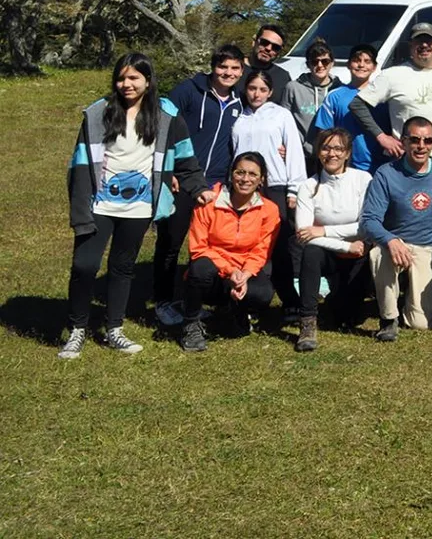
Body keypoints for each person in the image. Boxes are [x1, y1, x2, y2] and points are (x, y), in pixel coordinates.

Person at [60, 53, 212, 359]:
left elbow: (185, 160)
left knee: (123, 267)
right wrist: (80, 209)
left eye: (133, 78)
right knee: (84, 265)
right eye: (121, 78)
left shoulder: (166, 116)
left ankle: (114, 330)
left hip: (139, 209)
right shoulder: (97, 113)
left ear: (147, 80)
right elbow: (79, 164)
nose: (126, 84)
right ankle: (77, 330)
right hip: (99, 204)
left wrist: (200, 189)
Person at [154, 43, 246, 326]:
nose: (228, 73)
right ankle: (162, 301)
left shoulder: (239, 101)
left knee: (208, 246)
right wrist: (165, 168)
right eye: (222, 67)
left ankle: (196, 298)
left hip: (215, 185)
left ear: (241, 71)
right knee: (170, 243)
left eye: (234, 68)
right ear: (213, 67)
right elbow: (161, 123)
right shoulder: (189, 91)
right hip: (181, 180)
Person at [361, 117, 432, 341]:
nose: (421, 146)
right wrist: (390, 239)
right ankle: (388, 319)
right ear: (403, 141)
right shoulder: (386, 173)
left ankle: (410, 292)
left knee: (420, 324)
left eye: (428, 140)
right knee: (381, 253)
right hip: (395, 244)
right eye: (415, 139)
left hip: (428, 245)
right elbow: (369, 220)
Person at [179, 152, 281, 352]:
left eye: (252, 174)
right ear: (231, 174)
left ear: (262, 180)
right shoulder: (209, 203)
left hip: (243, 270)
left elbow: (261, 250)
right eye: (240, 172)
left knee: (263, 294)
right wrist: (229, 270)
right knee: (199, 268)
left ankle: (234, 310)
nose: (245, 179)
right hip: (213, 269)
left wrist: (245, 275)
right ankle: (190, 324)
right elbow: (199, 248)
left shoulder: (269, 210)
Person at [231, 69, 308, 324]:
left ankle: (290, 302)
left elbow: (294, 151)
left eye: (263, 89)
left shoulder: (281, 115)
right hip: (245, 186)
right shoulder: (238, 116)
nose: (257, 94)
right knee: (247, 244)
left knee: (280, 247)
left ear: (271, 92)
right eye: (252, 88)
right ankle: (250, 299)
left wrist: (294, 189)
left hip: (275, 185)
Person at [293, 128, 372, 351]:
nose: (332, 154)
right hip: (337, 252)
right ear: (318, 152)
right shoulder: (308, 186)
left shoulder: (362, 179)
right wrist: (346, 245)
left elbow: (365, 226)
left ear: (347, 153)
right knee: (310, 252)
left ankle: (342, 298)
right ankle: (307, 322)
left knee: (347, 318)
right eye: (326, 148)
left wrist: (323, 231)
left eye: (338, 148)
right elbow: (304, 234)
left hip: (359, 255)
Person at [350, 22, 432, 165]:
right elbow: (357, 104)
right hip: (404, 160)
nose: (424, 45)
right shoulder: (391, 75)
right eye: (419, 41)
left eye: (429, 41)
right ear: (410, 45)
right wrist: (382, 137)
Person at [310, 43, 391, 173]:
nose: (361, 65)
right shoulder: (334, 97)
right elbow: (324, 134)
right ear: (349, 64)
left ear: (374, 67)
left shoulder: (385, 97)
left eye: (367, 61)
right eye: (356, 61)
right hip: (346, 168)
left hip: (381, 167)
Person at [284, 38, 344, 173]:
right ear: (308, 64)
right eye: (314, 61)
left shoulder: (340, 89)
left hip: (332, 156)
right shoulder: (293, 88)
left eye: (325, 61)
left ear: (332, 63)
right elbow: (283, 120)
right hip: (301, 155)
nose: (320, 65)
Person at [239, 23, 292, 104]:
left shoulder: (283, 77)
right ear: (254, 42)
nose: (268, 48)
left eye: (275, 47)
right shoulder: (232, 70)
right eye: (264, 42)